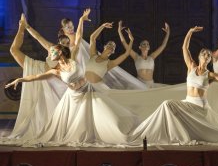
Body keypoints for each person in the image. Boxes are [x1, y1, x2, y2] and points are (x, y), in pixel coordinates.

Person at [5, 36, 141, 146]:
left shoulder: (73, 57)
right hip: (73, 98)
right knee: (77, 129)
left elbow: (80, 37)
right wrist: (19, 80)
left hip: (88, 91)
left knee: (107, 117)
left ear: (60, 52)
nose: (50, 53)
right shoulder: (55, 70)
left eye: (53, 51)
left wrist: (81, 19)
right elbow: (35, 77)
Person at [118, 21, 170, 88]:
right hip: (139, 85)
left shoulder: (152, 56)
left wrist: (168, 33)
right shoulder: (136, 57)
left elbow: (163, 45)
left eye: (147, 44)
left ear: (149, 47)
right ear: (140, 47)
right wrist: (119, 31)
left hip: (151, 84)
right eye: (144, 44)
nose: (146, 45)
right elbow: (125, 44)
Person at [85, 22, 134, 88]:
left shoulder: (110, 63)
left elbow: (126, 54)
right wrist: (103, 26)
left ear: (113, 51)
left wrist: (131, 40)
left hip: (97, 90)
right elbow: (92, 38)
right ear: (104, 46)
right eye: (110, 44)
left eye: (113, 46)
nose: (111, 46)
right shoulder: (93, 55)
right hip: (83, 86)